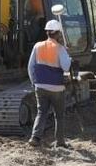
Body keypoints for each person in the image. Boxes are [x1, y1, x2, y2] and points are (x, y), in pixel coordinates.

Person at [27, 20, 73, 149]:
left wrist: (34, 83)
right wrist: (67, 56)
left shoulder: (37, 46)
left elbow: (30, 67)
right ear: (58, 33)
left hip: (40, 86)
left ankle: (35, 137)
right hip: (57, 88)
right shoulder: (60, 48)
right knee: (59, 115)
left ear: (47, 32)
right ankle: (60, 141)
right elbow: (65, 67)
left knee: (41, 112)